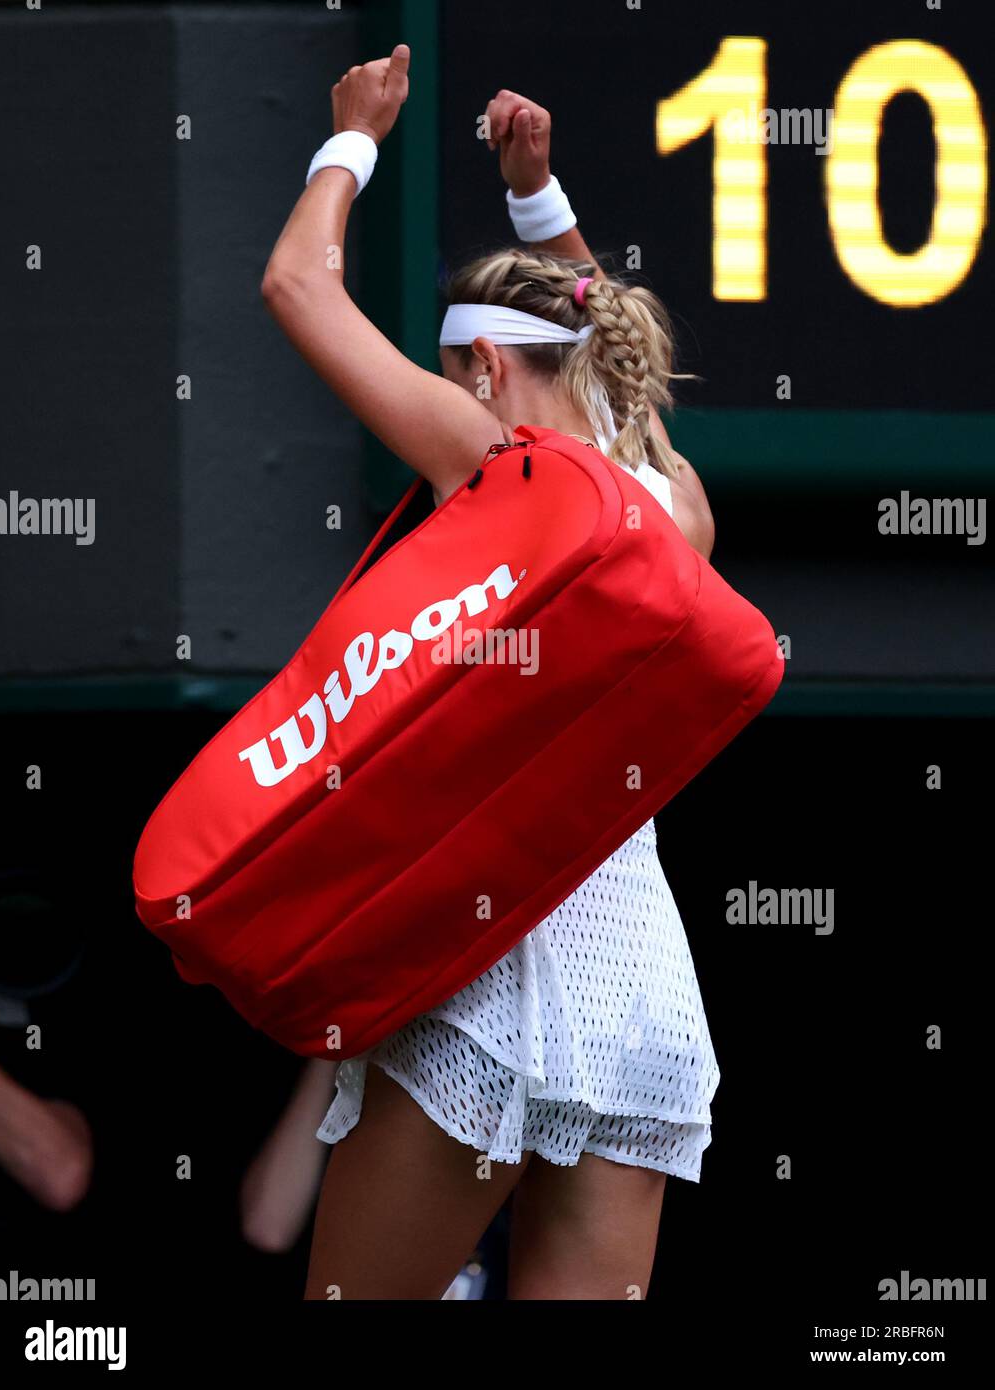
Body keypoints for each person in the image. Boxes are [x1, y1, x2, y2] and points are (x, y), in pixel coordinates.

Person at [262, 45, 720, 1300]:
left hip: (491, 980)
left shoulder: (491, 461)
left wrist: (350, 137)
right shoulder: (671, 499)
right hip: (643, 1001)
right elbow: (612, 355)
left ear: (476, 367)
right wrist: (539, 198)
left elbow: (297, 284)